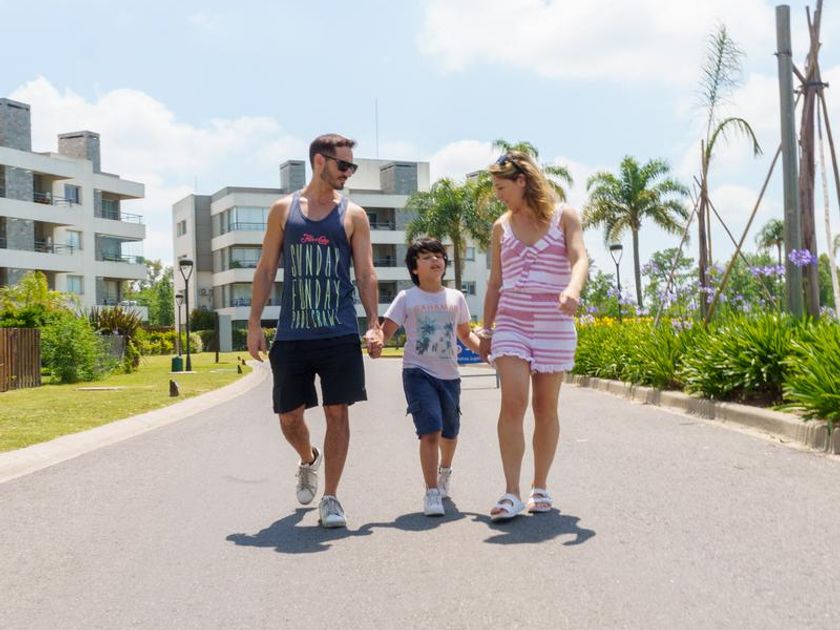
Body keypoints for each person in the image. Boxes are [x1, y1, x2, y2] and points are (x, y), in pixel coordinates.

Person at [247, 133, 383, 529]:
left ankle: (331, 497)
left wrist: (374, 323)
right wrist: (254, 324)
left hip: (339, 331)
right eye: (344, 165)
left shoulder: (354, 215)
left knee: (337, 412)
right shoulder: (283, 210)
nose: (348, 172)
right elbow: (266, 269)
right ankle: (308, 460)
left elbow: (365, 273)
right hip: (293, 333)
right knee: (289, 417)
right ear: (319, 161)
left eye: (352, 166)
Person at [478, 150, 588, 521]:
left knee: (545, 407)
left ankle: (540, 486)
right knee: (513, 402)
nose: (498, 195)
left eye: (501, 187)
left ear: (522, 181)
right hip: (512, 319)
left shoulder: (564, 216)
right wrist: (486, 329)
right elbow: (495, 283)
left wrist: (573, 289)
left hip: (554, 320)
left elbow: (580, 258)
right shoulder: (501, 227)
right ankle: (511, 491)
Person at [370, 237, 482, 516]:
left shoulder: (456, 297)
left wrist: (488, 352)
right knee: (430, 430)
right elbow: (386, 330)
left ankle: (445, 470)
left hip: (449, 376)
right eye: (426, 257)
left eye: (439, 256)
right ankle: (431, 492)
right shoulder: (407, 298)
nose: (435, 260)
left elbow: (465, 334)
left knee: (450, 432)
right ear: (414, 268)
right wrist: (377, 341)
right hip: (417, 372)